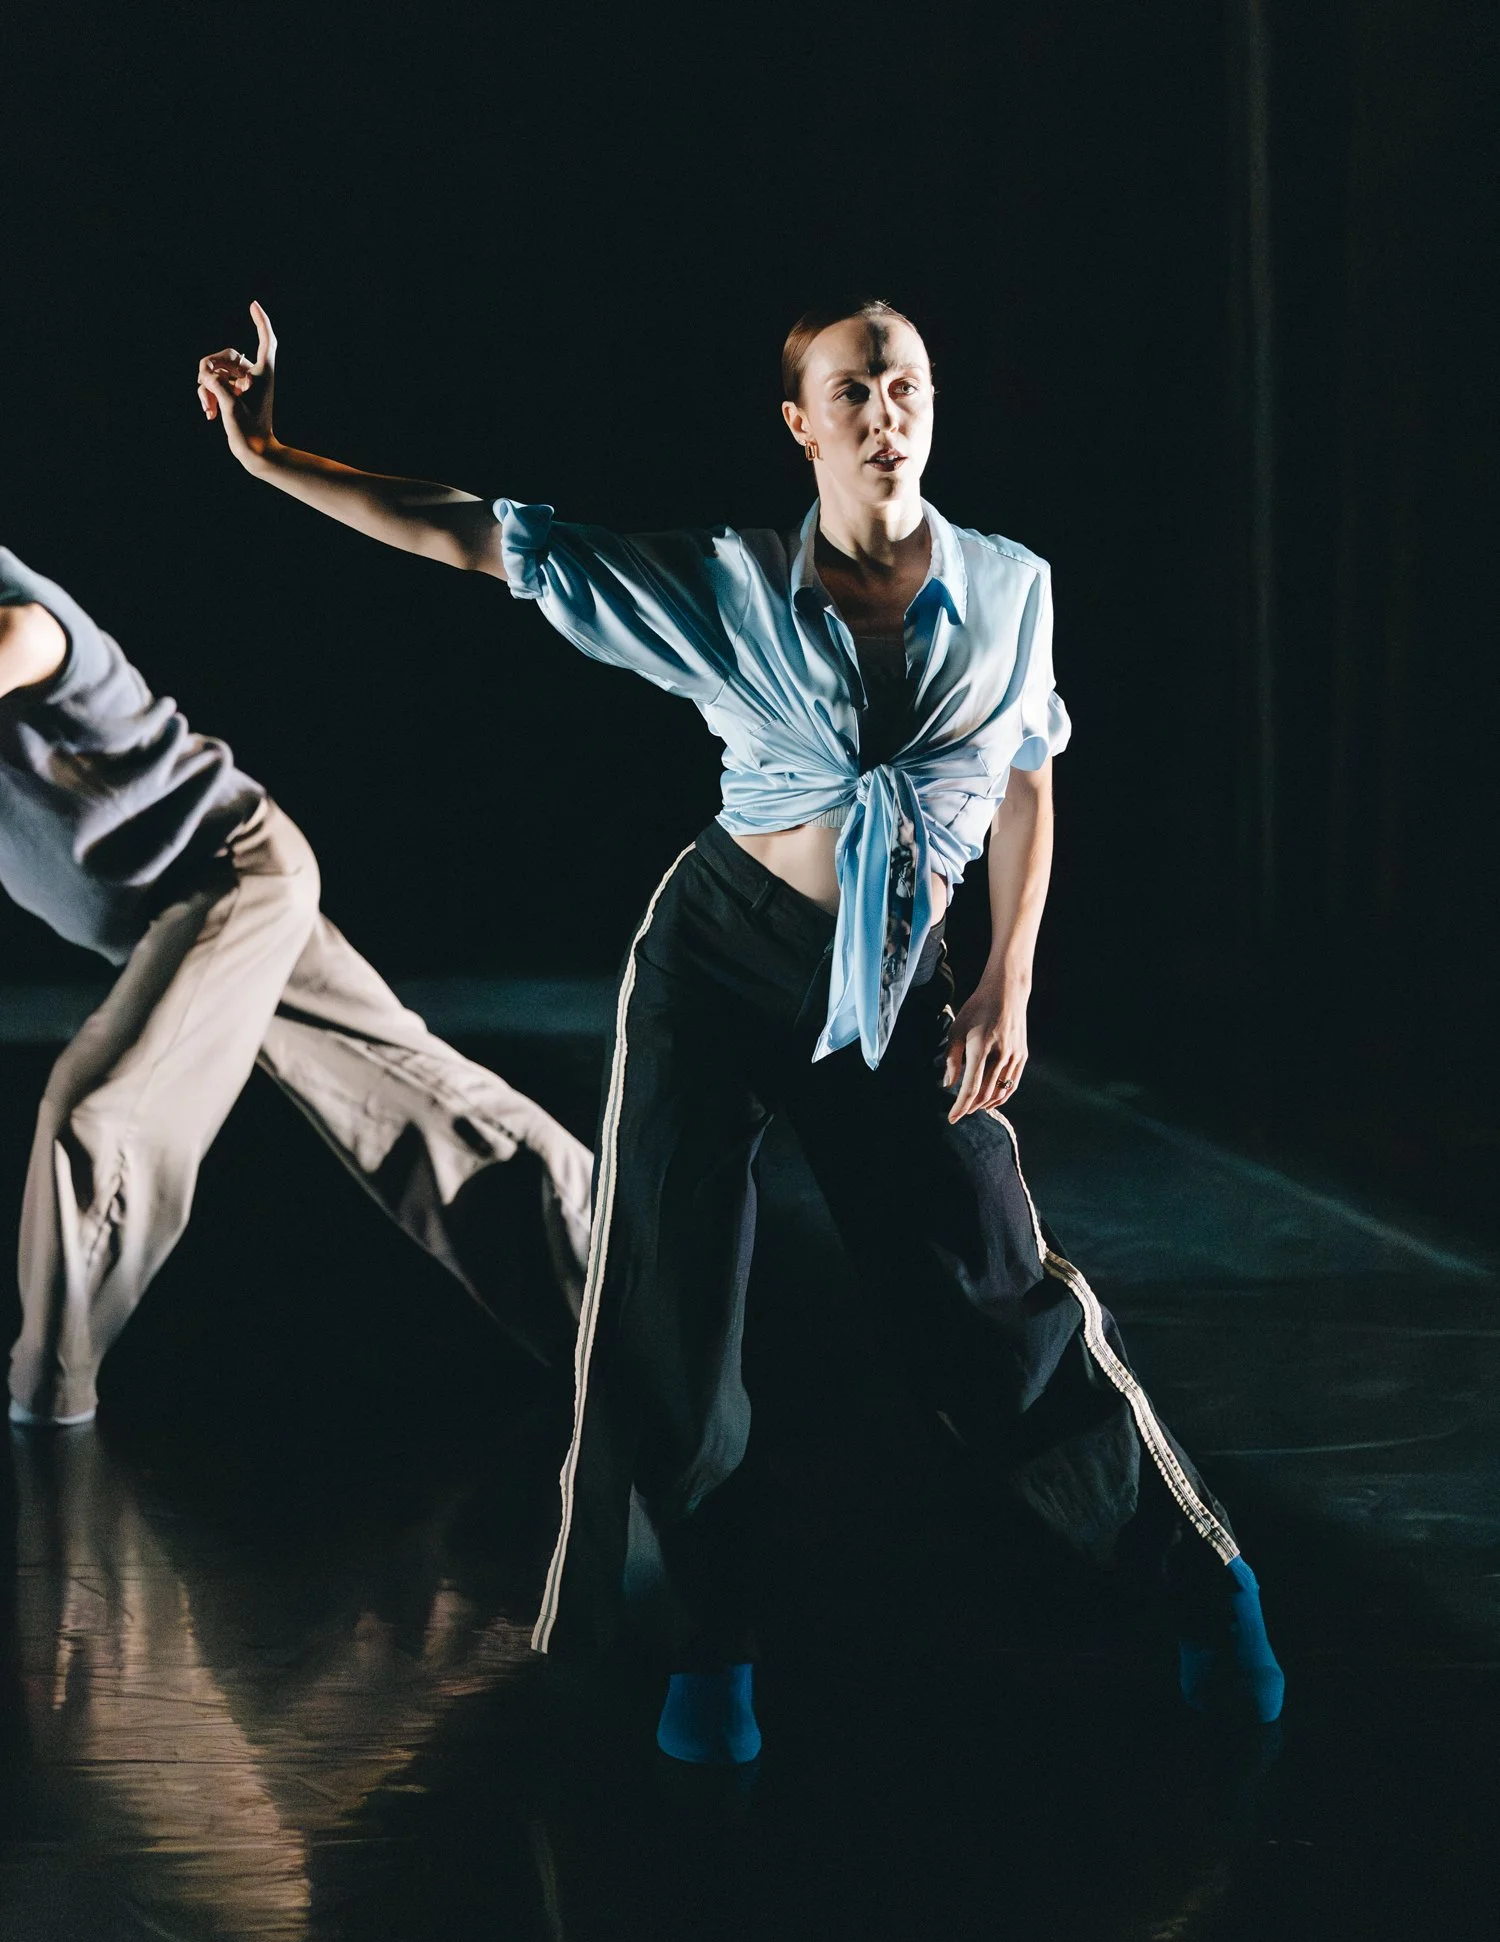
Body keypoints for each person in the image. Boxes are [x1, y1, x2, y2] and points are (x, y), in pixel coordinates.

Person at [195, 296, 1285, 1762]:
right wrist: (269, 457)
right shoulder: (728, 586)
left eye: (907, 383)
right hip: (717, 959)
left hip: (894, 978)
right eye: (855, 390)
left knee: (987, 1297)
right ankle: (707, 1640)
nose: (886, 411)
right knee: (674, 1310)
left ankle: (1201, 1580)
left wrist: (1007, 978)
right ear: (802, 424)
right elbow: (479, 538)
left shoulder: (1013, 588)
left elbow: (1026, 776)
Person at [0, 547, 593, 1429]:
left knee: (101, 1112)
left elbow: (22, 638)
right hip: (192, 911)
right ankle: (623, 1294)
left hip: (232, 877)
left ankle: (48, 1398)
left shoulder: (25, 611)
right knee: (419, 1094)